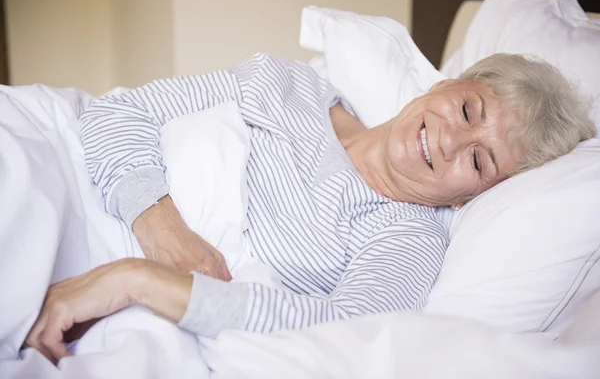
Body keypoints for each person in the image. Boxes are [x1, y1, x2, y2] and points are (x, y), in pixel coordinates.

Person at [25, 53, 596, 363]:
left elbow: (338, 332)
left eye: (479, 162)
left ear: (474, 195)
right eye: (469, 110)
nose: (451, 142)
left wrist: (138, 279)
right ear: (448, 83)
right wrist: (160, 227)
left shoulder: (407, 240)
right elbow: (115, 115)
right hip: (69, 175)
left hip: (123, 278)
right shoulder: (289, 85)